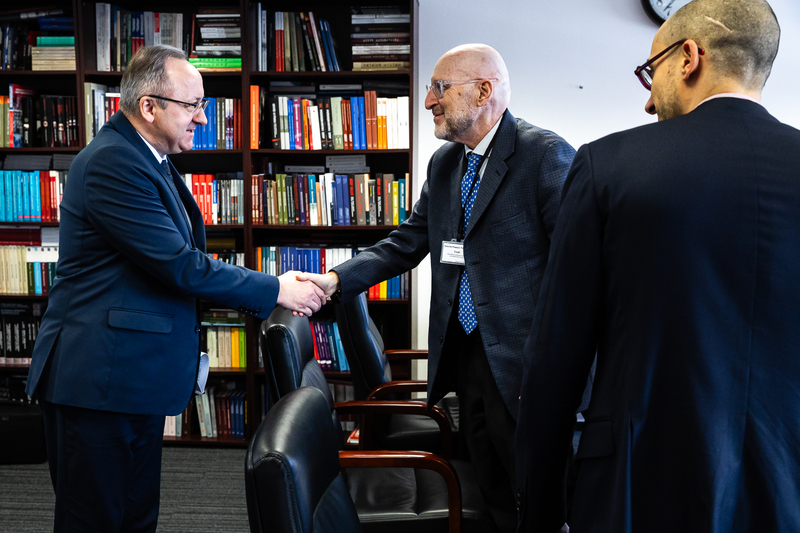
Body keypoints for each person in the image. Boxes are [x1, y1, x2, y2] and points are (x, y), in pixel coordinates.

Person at [515, 1, 800, 531]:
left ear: (689, 56)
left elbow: (556, 359)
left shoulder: (609, 166)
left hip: (635, 487)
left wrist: (541, 514)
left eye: (652, 72)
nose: (648, 100)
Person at [25, 45, 324, 532]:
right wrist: (275, 290)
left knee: (136, 517)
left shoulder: (150, 158)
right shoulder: (111, 163)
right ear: (149, 106)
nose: (202, 119)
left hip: (131, 376)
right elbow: (179, 265)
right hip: (97, 379)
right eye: (193, 106)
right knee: (96, 521)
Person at [299, 43, 575, 532]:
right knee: (488, 484)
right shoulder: (446, 163)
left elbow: (577, 267)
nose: (428, 100)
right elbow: (406, 242)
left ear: (484, 91)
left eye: (439, 88)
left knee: (536, 499)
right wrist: (337, 279)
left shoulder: (545, 155)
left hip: (523, 367)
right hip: (464, 356)